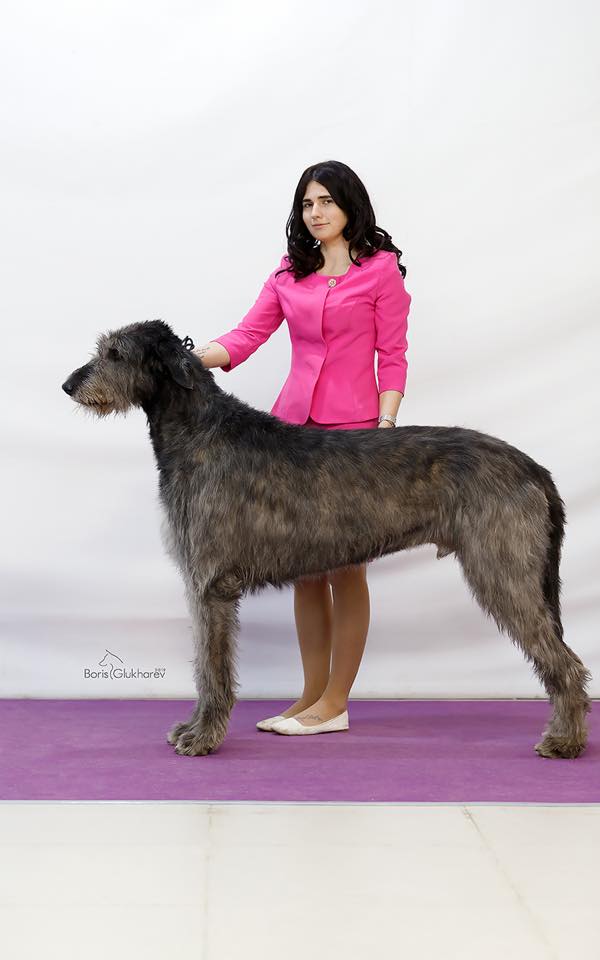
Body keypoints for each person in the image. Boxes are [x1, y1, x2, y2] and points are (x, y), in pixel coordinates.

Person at [194, 160, 411, 735]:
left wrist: (386, 429)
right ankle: (310, 697)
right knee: (305, 568)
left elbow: (393, 354)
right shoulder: (290, 273)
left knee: (347, 567)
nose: (315, 213)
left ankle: (336, 703)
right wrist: (189, 357)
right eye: (307, 204)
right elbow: (245, 337)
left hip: (355, 437)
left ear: (350, 206)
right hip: (293, 434)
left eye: (326, 202)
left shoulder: (382, 272)